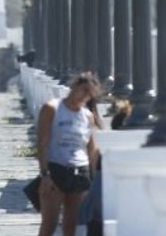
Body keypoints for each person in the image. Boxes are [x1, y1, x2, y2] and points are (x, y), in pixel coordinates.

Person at [36, 72, 101, 236]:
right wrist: (45, 174)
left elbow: (91, 149)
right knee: (49, 224)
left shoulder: (87, 116)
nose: (84, 96)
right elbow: (42, 143)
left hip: (80, 172)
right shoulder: (52, 108)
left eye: (89, 94)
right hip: (56, 168)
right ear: (73, 87)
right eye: (83, 90)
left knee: (71, 226)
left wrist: (95, 179)